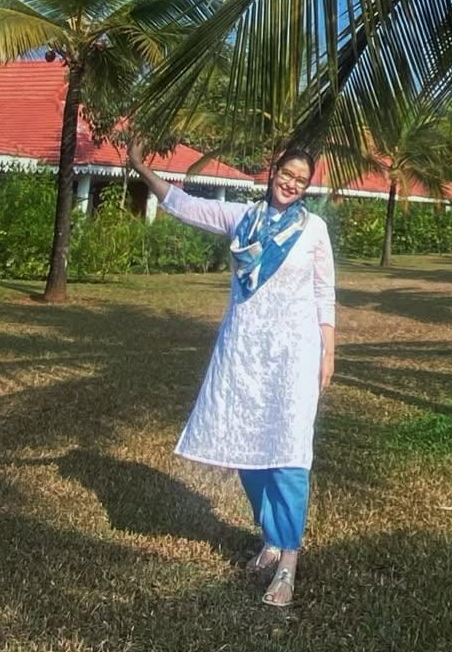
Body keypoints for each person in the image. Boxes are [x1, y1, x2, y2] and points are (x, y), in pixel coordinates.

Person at [128, 141, 336, 608]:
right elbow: (184, 205)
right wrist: (141, 167)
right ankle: (270, 538)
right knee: (248, 449)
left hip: (294, 357)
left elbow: (325, 292)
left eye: (301, 180)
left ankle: (288, 560)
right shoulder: (242, 219)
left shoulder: (313, 229)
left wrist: (329, 353)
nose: (291, 184)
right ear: (273, 171)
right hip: (243, 355)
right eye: (287, 174)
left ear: (307, 187)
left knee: (289, 451)